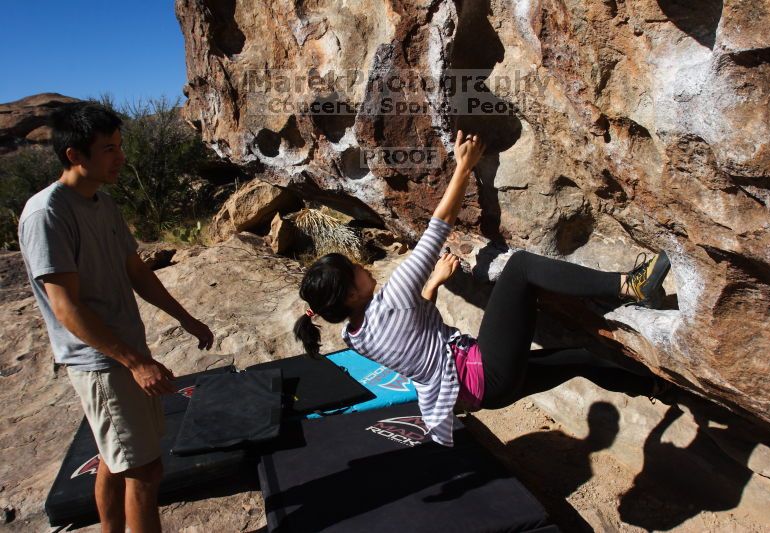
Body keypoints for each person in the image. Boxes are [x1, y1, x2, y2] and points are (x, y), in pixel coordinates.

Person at [294, 130, 671, 446]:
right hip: (484, 372)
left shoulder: (353, 336)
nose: (360, 266)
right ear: (350, 295)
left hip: (481, 395)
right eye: (353, 271)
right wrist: (464, 166)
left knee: (581, 361)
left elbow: (412, 335)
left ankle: (655, 388)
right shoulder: (393, 297)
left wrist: (435, 284)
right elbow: (438, 226)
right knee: (520, 268)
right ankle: (630, 285)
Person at [18, 102, 214, 533]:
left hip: (123, 349)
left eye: (120, 146)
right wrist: (135, 362)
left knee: (116, 457)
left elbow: (136, 271)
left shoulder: (102, 202)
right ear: (74, 155)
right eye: (109, 149)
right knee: (145, 472)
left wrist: (186, 318)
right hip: (101, 362)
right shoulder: (47, 214)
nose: (121, 157)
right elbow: (65, 306)